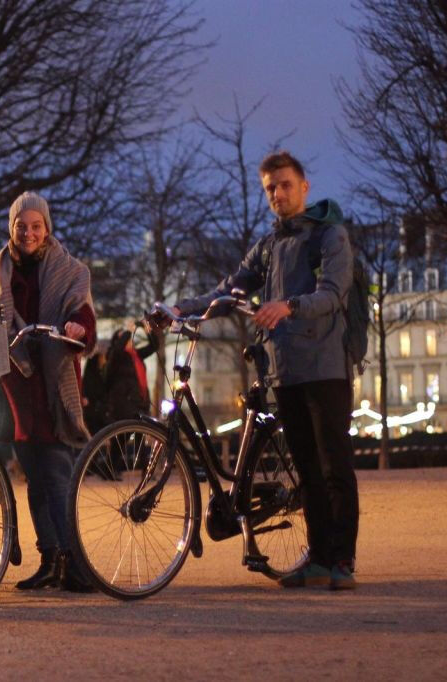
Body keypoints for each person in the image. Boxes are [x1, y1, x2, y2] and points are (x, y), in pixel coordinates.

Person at [171, 151, 359, 590]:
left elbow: (332, 293)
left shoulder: (330, 237)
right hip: (286, 370)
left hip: (326, 366)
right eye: (270, 188)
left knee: (335, 464)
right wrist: (181, 308)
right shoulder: (270, 246)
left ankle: (343, 559)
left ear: (304, 186)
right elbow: (229, 290)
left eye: (285, 185)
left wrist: (288, 305)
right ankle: (318, 557)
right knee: (307, 467)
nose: (278, 194)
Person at [0, 190, 96, 592]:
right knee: (34, 474)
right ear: (11, 228)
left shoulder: (72, 270)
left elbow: (82, 310)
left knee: (57, 473)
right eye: (21, 226)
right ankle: (50, 558)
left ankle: (76, 562)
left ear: (47, 228)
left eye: (35, 226)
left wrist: (78, 328)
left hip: (52, 378)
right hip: (17, 381)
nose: (28, 233)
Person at [104, 323, 159, 423]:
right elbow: (118, 349)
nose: (128, 338)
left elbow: (154, 346)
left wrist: (147, 330)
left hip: (140, 404)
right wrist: (129, 330)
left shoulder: (136, 355)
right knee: (123, 437)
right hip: (124, 407)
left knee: (140, 437)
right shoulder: (116, 357)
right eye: (124, 336)